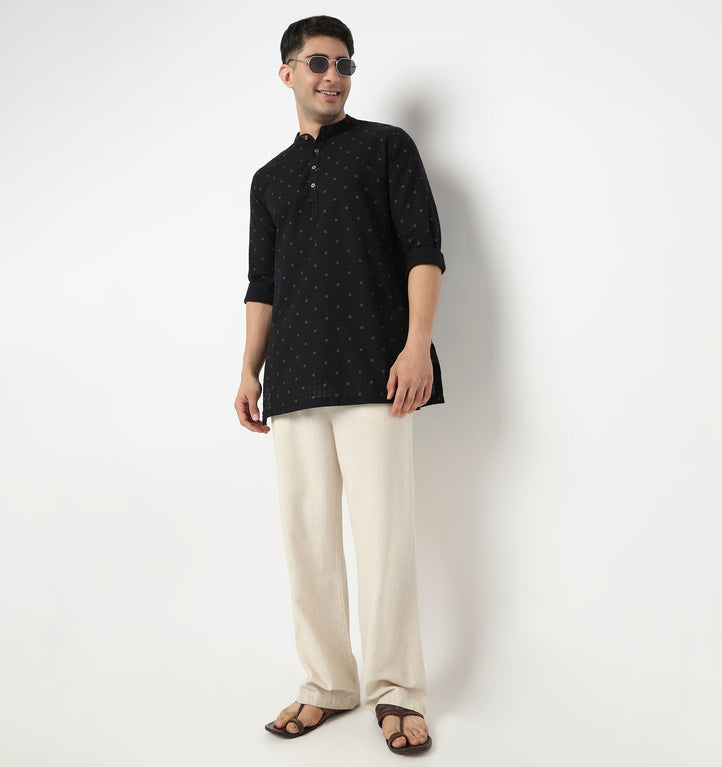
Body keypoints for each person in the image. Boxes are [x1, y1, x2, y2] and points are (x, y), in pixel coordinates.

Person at [234, 14, 445, 755]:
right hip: (292, 378)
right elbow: (262, 284)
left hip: (374, 370)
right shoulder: (268, 178)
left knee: (383, 536)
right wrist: (248, 368)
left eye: (345, 65)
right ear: (287, 72)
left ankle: (396, 690)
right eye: (319, 62)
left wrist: (416, 346)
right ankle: (326, 683)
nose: (334, 76)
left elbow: (423, 250)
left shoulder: (387, 147)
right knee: (308, 540)